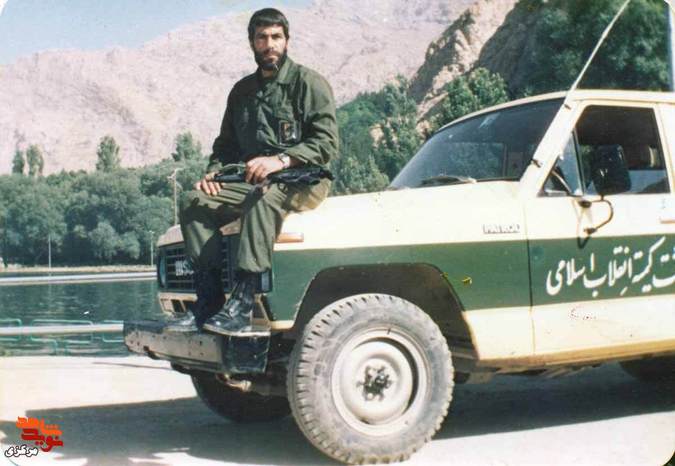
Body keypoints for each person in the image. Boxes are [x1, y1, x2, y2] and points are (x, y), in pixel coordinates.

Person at [166, 8, 338, 335]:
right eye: (262, 38)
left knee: (262, 198)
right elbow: (225, 146)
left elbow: (326, 143)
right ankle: (208, 302)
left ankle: (243, 302)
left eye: (276, 37)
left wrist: (282, 160)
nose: (269, 44)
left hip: (304, 178)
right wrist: (214, 173)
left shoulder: (309, 84)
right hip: (253, 179)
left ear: (287, 41)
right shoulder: (242, 92)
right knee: (193, 201)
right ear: (252, 43)